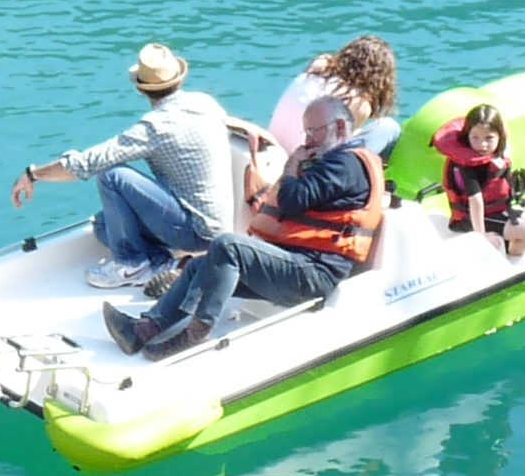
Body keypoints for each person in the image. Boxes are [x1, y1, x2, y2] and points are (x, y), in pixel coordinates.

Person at [105, 92, 386, 359]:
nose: (309, 140)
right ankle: (142, 331)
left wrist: (292, 165)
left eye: (314, 131)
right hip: (297, 263)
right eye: (306, 133)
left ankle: (196, 332)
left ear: (339, 126)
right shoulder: (331, 160)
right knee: (200, 266)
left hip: (313, 273)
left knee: (228, 245)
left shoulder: (345, 164)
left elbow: (291, 200)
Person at [11, 45, 261, 289]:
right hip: (215, 224)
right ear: (179, 79)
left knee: (112, 176)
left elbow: (88, 163)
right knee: (103, 226)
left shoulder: (154, 127)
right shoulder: (205, 103)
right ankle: (161, 263)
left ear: (141, 89)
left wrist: (34, 174)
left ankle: (132, 265)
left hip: (196, 230)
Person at [268, 35, 402, 157]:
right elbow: (336, 152)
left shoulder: (318, 67)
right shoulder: (358, 103)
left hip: (274, 150)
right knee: (389, 127)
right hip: (302, 168)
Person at [435, 101, 523, 236]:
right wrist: (482, 237)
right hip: (469, 220)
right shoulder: (467, 164)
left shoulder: (499, 154)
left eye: (489, 138)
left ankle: (510, 249)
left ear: (499, 137)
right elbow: (475, 201)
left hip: (498, 210)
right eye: (475, 138)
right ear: (467, 135)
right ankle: (506, 251)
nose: (483, 145)